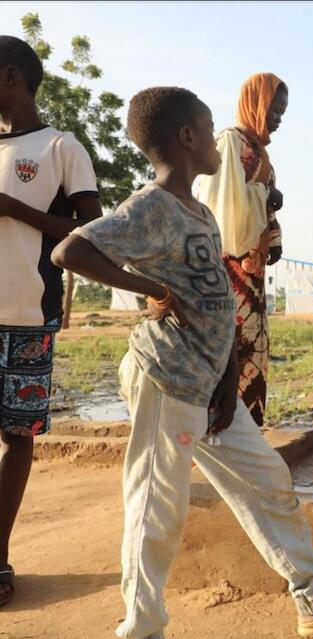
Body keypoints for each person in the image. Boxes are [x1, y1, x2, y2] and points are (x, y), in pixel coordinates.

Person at [52, 86, 313, 639]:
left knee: (269, 482)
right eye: (208, 129)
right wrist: (148, 287)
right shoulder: (149, 206)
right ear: (187, 137)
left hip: (210, 386)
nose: (216, 139)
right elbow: (72, 250)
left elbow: (220, 302)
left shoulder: (202, 213)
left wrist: (230, 375)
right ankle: (141, 629)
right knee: (157, 511)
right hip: (165, 379)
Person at [0, 36, 103, 609]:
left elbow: (91, 230)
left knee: (16, 438)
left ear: (10, 75)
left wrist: (15, 209)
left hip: (25, 315)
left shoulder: (63, 147)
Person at [196, 73, 288, 428]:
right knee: (232, 351)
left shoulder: (259, 150)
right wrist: (266, 194)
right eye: (273, 111)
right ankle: (223, 430)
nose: (277, 120)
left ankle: (244, 432)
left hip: (252, 272)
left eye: (281, 113)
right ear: (256, 104)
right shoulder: (231, 143)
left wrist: (274, 238)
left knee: (251, 350)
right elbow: (224, 208)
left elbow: (264, 207)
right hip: (229, 271)